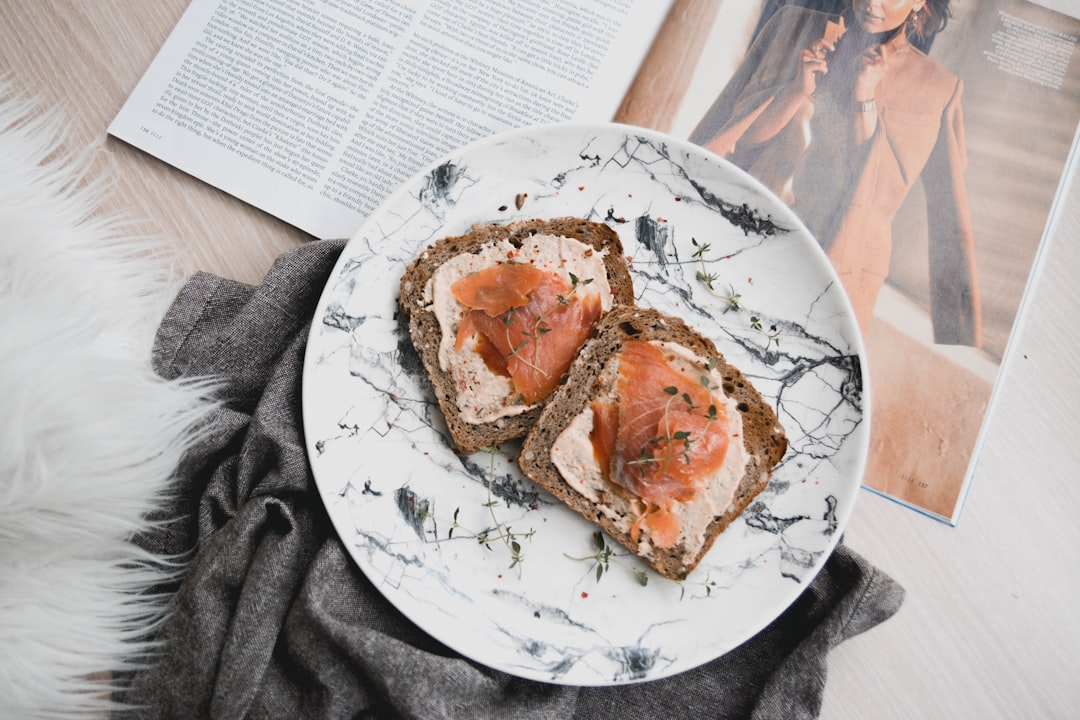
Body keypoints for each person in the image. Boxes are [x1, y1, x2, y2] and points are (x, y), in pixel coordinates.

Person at [691, 0, 981, 346]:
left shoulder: (937, 89)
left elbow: (937, 208)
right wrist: (797, 91)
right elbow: (734, 137)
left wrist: (865, 97)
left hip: (841, 267)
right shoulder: (791, 26)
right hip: (748, 236)